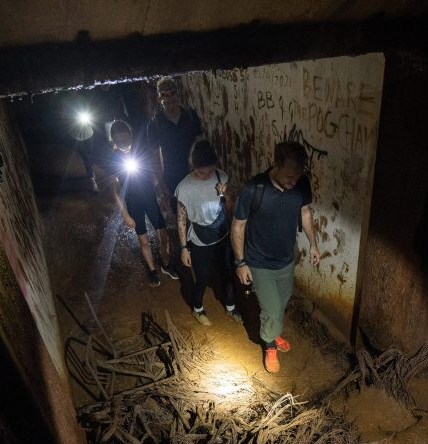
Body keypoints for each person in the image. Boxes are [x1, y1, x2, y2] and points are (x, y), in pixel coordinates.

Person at [231, 141, 320, 373]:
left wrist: (313, 244)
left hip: (286, 260)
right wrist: (241, 262)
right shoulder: (254, 189)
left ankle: (274, 330)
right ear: (274, 164)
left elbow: (305, 211)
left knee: (281, 304)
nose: (293, 181)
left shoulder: (301, 184)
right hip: (259, 262)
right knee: (271, 309)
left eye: (298, 175)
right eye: (289, 175)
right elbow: (238, 226)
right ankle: (269, 344)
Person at [175, 140, 242, 326]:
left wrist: (225, 195)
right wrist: (184, 247)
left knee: (227, 272)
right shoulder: (185, 187)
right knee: (203, 276)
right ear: (193, 165)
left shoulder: (221, 177)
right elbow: (181, 218)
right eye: (201, 172)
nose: (206, 176)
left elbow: (228, 209)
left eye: (210, 170)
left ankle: (230, 307)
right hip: (199, 238)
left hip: (221, 232)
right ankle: (197, 309)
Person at [108, 120, 179, 287]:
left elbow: (155, 172)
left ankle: (166, 264)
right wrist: (125, 214)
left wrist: (162, 194)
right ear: (114, 140)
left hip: (150, 199)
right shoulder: (113, 159)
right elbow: (115, 191)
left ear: (131, 135)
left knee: (163, 235)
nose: (124, 144)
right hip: (134, 203)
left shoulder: (142, 151)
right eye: (120, 141)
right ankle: (152, 270)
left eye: (126, 140)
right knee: (143, 240)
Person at [146, 77, 203, 207]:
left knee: (198, 209)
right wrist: (161, 185)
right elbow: (154, 157)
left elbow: (200, 143)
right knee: (179, 213)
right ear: (160, 99)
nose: (171, 105)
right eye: (167, 103)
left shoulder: (190, 115)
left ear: (178, 96)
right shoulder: (155, 124)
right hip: (171, 176)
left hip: (194, 171)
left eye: (174, 101)